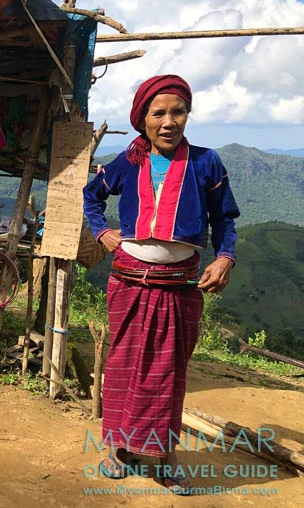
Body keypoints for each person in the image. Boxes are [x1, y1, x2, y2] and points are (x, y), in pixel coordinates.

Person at [82, 75, 239, 494]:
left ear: (188, 115)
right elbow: (92, 195)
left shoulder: (207, 163)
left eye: (178, 111)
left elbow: (225, 219)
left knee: (168, 374)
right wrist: (101, 232)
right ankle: (119, 448)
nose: (169, 121)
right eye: (159, 113)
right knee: (123, 368)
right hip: (128, 282)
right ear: (143, 119)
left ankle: (163, 456)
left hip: (180, 286)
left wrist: (225, 257)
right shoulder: (127, 162)